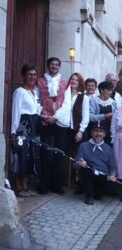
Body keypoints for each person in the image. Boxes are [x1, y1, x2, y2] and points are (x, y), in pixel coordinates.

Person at [37, 57, 67, 195]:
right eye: (52, 64)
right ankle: (44, 184)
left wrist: (55, 117)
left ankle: (57, 185)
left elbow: (66, 104)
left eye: (57, 64)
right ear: (48, 65)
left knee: (59, 153)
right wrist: (42, 115)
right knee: (46, 153)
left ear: (59, 67)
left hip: (59, 121)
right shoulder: (40, 81)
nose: (54, 66)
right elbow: (36, 99)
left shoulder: (64, 83)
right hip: (44, 120)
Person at [10, 65, 42, 197]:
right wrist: (13, 131)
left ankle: (26, 186)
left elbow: (37, 109)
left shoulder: (35, 92)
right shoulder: (19, 91)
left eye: (34, 74)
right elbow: (16, 111)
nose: (32, 77)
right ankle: (18, 188)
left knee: (31, 155)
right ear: (23, 76)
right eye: (29, 74)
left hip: (34, 125)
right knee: (21, 155)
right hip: (23, 126)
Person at [75, 121, 120, 205]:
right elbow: (76, 164)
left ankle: (96, 193)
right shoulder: (83, 146)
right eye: (95, 131)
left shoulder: (108, 148)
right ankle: (89, 196)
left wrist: (112, 175)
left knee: (113, 188)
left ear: (104, 134)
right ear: (91, 133)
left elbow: (113, 166)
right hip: (89, 174)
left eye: (101, 131)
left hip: (103, 177)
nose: (98, 133)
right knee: (86, 170)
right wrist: (80, 163)